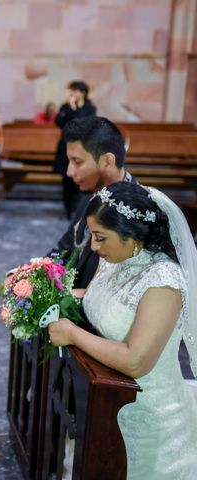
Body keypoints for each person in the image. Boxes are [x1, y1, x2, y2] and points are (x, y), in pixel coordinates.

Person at [48, 181, 197, 479]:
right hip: (103, 402)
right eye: (92, 235)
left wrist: (73, 334)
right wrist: (43, 293)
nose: (93, 246)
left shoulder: (163, 280)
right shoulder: (116, 258)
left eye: (101, 237)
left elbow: (136, 361)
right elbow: (93, 299)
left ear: (133, 236)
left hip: (148, 416)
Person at [50, 116, 135, 290]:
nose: (69, 172)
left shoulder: (135, 213)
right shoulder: (90, 195)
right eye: (69, 161)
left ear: (107, 161)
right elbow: (66, 247)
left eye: (77, 162)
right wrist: (30, 275)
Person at [53, 80, 97, 219]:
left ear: (82, 92)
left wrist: (73, 109)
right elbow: (59, 122)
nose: (71, 93)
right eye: (71, 90)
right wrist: (70, 108)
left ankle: (77, 209)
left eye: (74, 90)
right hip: (66, 147)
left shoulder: (90, 108)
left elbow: (82, 123)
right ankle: (67, 210)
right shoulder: (66, 106)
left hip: (83, 148)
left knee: (81, 178)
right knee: (67, 179)